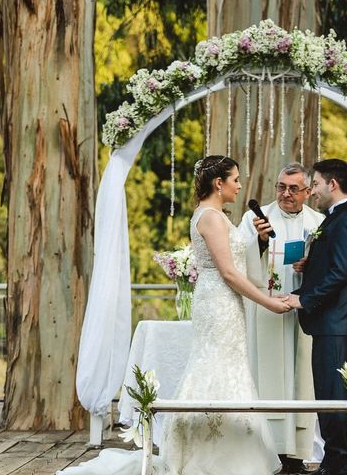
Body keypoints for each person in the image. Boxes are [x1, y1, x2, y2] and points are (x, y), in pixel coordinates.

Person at [57, 156, 290, 475]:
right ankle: (203, 451)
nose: (239, 184)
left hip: (227, 302)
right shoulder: (210, 217)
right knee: (213, 366)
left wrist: (258, 241)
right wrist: (268, 302)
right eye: (235, 179)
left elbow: (235, 259)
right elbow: (229, 273)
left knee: (229, 367)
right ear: (218, 183)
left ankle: (227, 446)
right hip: (218, 302)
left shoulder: (219, 215)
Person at [238, 162, 324, 474]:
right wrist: (260, 242)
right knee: (268, 378)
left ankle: (296, 456)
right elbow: (236, 260)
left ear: (307, 191)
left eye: (293, 188)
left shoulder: (319, 222)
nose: (285, 194)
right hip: (266, 309)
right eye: (281, 187)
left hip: (302, 312)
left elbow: (331, 269)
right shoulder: (255, 218)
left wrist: (309, 265)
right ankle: (264, 452)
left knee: (301, 379)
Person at [287, 159, 347, 475]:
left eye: (315, 184)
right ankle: (334, 461)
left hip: (336, 324)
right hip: (329, 323)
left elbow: (341, 273)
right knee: (328, 393)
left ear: (333, 184)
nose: (312, 190)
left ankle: (339, 464)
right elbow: (333, 264)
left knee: (334, 395)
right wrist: (312, 263)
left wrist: (303, 299)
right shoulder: (335, 218)